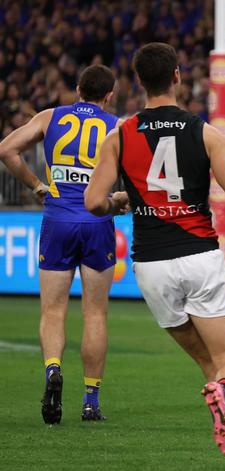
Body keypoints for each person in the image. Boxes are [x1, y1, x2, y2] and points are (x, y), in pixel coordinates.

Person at [85, 43, 225, 471]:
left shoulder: (119, 135)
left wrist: (125, 200)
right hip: (198, 256)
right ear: (179, 76)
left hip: (152, 266)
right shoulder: (206, 133)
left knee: (213, 369)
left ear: (139, 81)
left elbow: (95, 201)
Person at [0, 65, 122, 424]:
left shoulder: (51, 116)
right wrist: (118, 199)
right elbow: (134, 178)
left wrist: (38, 186)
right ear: (109, 95)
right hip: (97, 220)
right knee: (95, 313)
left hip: (58, 218)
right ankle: (90, 400)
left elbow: (6, 150)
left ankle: (53, 370)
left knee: (53, 311)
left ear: (78, 88)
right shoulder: (117, 126)